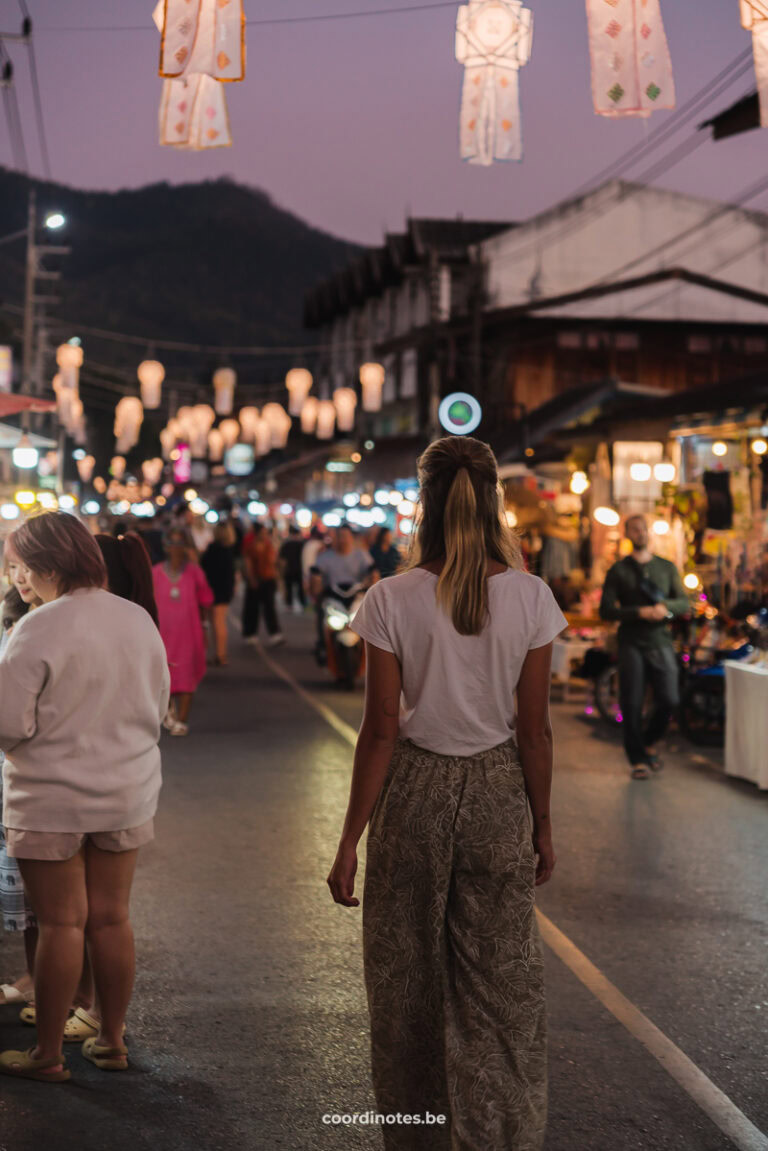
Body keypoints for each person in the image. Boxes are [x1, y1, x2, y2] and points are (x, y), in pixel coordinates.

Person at [327, 436, 566, 1150]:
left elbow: (378, 732)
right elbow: (534, 732)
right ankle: (500, 1134)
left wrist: (348, 841)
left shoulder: (391, 598)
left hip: (416, 794)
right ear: (495, 498)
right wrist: (542, 825)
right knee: (501, 985)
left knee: (406, 985)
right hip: (498, 793)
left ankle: (416, 1134)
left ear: (424, 503)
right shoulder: (530, 596)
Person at [0, 512, 169, 1082]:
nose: (16, 575)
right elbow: (157, 702)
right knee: (111, 920)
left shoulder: (39, 627)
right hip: (126, 789)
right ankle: (112, 1040)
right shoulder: (137, 619)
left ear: (47, 565)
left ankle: (47, 1054)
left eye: (20, 565)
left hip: (51, 797)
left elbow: (8, 725)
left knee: (60, 925)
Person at [600, 514, 689, 780]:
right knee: (631, 701)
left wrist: (665, 609)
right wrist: (638, 612)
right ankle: (637, 759)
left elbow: (684, 602)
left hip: (660, 640)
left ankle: (648, 742)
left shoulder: (667, 567)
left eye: (642, 528)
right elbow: (606, 610)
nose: (639, 533)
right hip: (631, 643)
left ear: (648, 532)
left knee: (670, 698)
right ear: (627, 534)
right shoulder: (619, 570)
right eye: (634, 529)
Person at [0, 588, 37, 1010]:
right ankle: (38, 980)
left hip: (39, 781)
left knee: (60, 913)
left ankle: (73, 1001)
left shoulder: (48, 626)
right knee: (35, 905)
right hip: (19, 777)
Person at [153, 527, 214, 736]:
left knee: (186, 675)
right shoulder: (156, 572)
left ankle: (182, 719)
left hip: (189, 632)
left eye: (180, 544)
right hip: (163, 634)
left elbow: (206, 598)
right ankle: (169, 712)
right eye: (172, 544)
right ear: (165, 547)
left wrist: (205, 625)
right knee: (164, 675)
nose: (176, 549)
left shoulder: (194, 572)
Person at [200, 521, 238, 665]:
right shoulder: (228, 551)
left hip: (212, 588)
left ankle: (218, 654)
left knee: (213, 623)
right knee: (220, 622)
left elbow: (204, 568)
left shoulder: (212, 549)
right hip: (224, 589)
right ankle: (220, 653)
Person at [242, 522, 284, 648]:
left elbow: (274, 562)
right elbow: (248, 564)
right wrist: (251, 579)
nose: (265, 535)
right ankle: (250, 633)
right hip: (256, 579)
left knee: (270, 607)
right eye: (263, 532)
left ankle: (274, 633)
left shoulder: (270, 545)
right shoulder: (250, 547)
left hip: (269, 579)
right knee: (252, 608)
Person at [279, 524, 306, 613]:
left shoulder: (286, 544)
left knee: (289, 587)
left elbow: (282, 560)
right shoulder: (302, 544)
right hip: (299, 570)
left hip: (289, 569)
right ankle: (302, 604)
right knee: (300, 588)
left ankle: (289, 604)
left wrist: (282, 571)